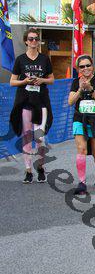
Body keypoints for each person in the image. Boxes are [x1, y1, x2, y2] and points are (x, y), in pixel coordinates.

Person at [9, 28, 54, 184]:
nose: (34, 41)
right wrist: (24, 81)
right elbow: (12, 81)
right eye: (31, 39)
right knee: (27, 136)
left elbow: (52, 79)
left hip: (41, 102)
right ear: (26, 41)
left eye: (36, 39)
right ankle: (28, 170)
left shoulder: (44, 59)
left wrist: (42, 80)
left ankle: (40, 166)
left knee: (39, 137)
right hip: (25, 102)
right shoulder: (20, 59)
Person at [68, 55, 95, 194]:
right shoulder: (75, 82)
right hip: (80, 119)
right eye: (82, 66)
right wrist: (80, 89)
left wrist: (90, 89)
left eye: (88, 65)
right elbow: (70, 102)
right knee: (82, 150)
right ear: (78, 69)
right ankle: (82, 182)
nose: (85, 68)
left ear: (92, 66)